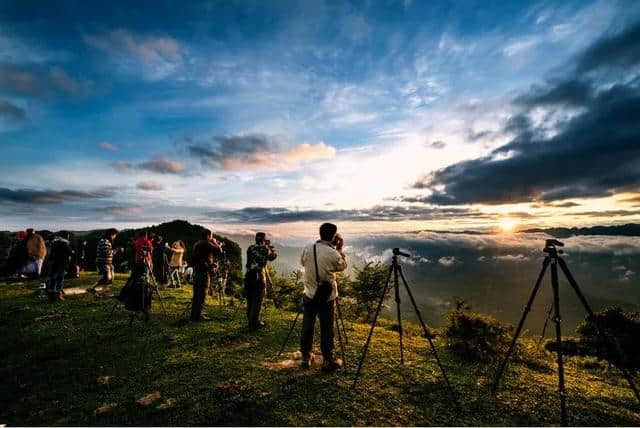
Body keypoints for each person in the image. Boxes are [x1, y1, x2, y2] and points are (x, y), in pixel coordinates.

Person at [299, 223, 347, 371]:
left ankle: (306, 356)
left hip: (309, 294)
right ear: (333, 236)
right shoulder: (333, 253)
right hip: (327, 297)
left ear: (320, 234)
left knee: (308, 325)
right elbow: (342, 266)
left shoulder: (308, 248)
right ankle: (328, 360)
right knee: (327, 328)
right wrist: (338, 249)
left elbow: (302, 262)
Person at [244, 232, 277, 330]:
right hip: (259, 277)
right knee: (258, 300)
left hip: (249, 276)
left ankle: (250, 318)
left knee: (250, 299)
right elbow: (272, 257)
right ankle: (254, 323)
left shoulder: (250, 248)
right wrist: (270, 247)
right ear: (263, 239)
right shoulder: (265, 249)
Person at [190, 229, 223, 322]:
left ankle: (194, 314)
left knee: (197, 294)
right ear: (208, 236)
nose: (212, 238)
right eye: (211, 236)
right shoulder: (206, 243)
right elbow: (219, 251)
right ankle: (198, 316)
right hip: (203, 272)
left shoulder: (197, 243)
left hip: (197, 271)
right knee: (202, 294)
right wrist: (216, 243)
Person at [46, 232, 73, 302]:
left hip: (53, 263)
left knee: (53, 278)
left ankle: (51, 295)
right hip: (61, 263)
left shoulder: (54, 243)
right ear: (66, 237)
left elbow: (50, 254)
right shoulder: (65, 243)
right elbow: (70, 252)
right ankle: (58, 295)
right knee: (60, 278)